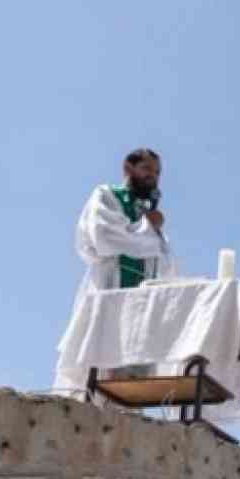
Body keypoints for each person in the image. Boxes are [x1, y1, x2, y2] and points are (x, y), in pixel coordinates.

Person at [53, 148, 178, 395]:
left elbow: (163, 262)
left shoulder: (147, 214)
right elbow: (105, 237)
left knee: (132, 385)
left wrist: (152, 230)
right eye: (147, 169)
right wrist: (148, 228)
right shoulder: (107, 196)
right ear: (128, 168)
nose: (153, 177)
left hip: (142, 306)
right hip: (110, 289)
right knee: (98, 367)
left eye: (157, 172)